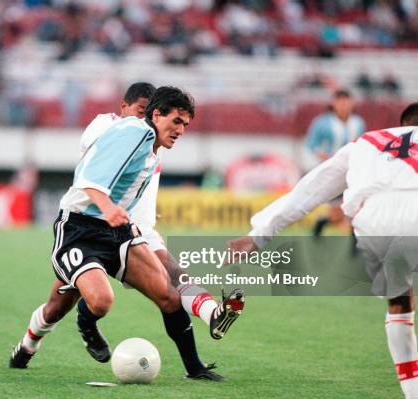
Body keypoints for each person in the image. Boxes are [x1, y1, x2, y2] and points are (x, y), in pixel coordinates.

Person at [9, 86, 226, 380]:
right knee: (97, 301)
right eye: (176, 121)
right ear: (156, 114)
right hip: (79, 229)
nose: (181, 130)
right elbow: (87, 177)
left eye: (185, 125)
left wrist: (126, 216)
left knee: (169, 296)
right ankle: (65, 332)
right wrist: (108, 207)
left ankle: (195, 368)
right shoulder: (132, 132)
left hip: (118, 232)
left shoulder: (150, 147)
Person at [228, 103, 418, 399]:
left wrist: (259, 235)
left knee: (400, 303)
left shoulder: (366, 141)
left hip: (375, 221)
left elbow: (311, 188)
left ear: (401, 123)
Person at [76, 83, 244, 364]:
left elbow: (138, 186)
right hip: (88, 226)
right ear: (125, 108)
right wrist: (108, 205)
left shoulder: (156, 144)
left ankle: (209, 326)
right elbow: (94, 160)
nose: (140, 118)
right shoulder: (112, 126)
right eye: (140, 111)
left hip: (135, 232)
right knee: (61, 306)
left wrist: (146, 213)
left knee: (173, 287)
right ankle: (41, 340)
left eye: (184, 124)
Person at [301, 89, 366, 237]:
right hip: (332, 172)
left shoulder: (358, 123)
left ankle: (354, 247)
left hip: (353, 172)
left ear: (351, 103)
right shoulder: (322, 122)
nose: (343, 105)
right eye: (340, 101)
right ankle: (322, 222)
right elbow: (311, 144)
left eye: (346, 101)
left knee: (356, 210)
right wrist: (323, 156)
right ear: (334, 103)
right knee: (338, 214)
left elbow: (364, 144)